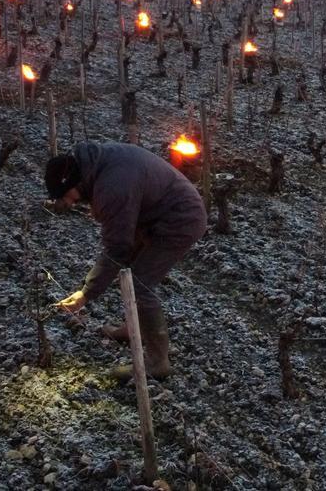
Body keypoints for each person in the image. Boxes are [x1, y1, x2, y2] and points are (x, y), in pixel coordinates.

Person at [45, 140, 207, 379]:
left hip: (180, 220)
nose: (68, 203)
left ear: (72, 182)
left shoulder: (112, 188)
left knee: (141, 283)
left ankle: (157, 361)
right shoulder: (95, 165)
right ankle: (135, 328)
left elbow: (117, 248)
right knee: (131, 273)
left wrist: (86, 293)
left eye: (66, 196)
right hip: (154, 214)